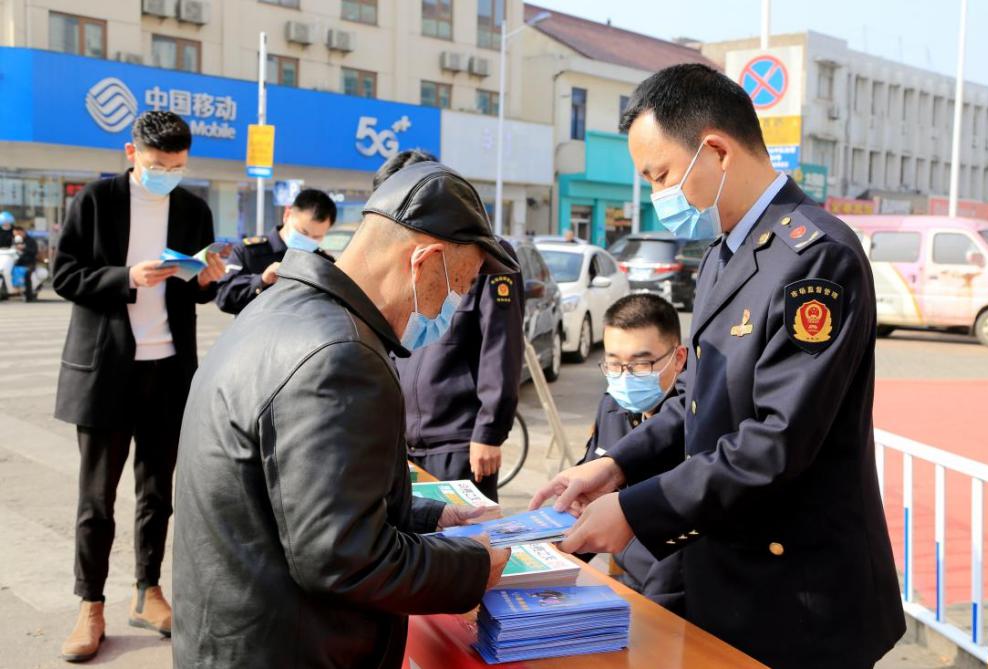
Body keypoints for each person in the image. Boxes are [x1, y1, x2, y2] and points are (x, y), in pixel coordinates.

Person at [530, 64, 904, 669]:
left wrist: (634, 512)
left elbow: (775, 442)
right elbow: (697, 399)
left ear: (716, 151)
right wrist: (614, 465)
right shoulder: (725, 253)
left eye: (661, 176)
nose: (656, 198)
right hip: (727, 578)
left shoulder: (814, 258)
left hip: (798, 599)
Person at [172, 161, 514, 669]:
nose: (455, 303)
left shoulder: (281, 309)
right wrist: (474, 566)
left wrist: (430, 515)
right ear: (424, 262)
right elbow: (343, 558)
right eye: (458, 286)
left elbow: (302, 495)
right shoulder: (341, 355)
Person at [52, 111, 226, 663]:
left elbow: (195, 294)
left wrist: (205, 279)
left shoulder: (194, 209)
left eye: (176, 166)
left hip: (169, 370)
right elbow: (65, 276)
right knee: (95, 500)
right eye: (156, 165)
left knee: (157, 494)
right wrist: (124, 277)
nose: (166, 174)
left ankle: (147, 591)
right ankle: (90, 605)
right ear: (132, 153)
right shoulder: (96, 202)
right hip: (106, 370)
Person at [375, 150, 524, 502]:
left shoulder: (485, 257)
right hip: (401, 439)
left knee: (461, 543)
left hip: (458, 441)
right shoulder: (402, 256)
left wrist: (489, 432)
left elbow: (501, 349)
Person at [578, 294, 687, 613]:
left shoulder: (695, 423)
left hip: (675, 593)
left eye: (640, 364)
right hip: (624, 581)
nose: (624, 377)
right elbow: (589, 495)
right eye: (613, 363)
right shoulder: (612, 404)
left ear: (678, 358)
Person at [215, 188, 337, 314]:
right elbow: (223, 298)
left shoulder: (324, 263)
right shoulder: (249, 251)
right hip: (257, 332)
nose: (308, 240)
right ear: (287, 215)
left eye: (316, 237)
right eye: (303, 232)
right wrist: (261, 281)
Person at [12, 225, 40, 302]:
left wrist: (24, 248)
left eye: (19, 233)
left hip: (29, 263)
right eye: (15, 234)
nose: (17, 235)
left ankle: (29, 296)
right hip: (17, 263)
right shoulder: (13, 241)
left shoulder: (30, 240)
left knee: (27, 275)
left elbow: (34, 252)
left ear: (23, 232)